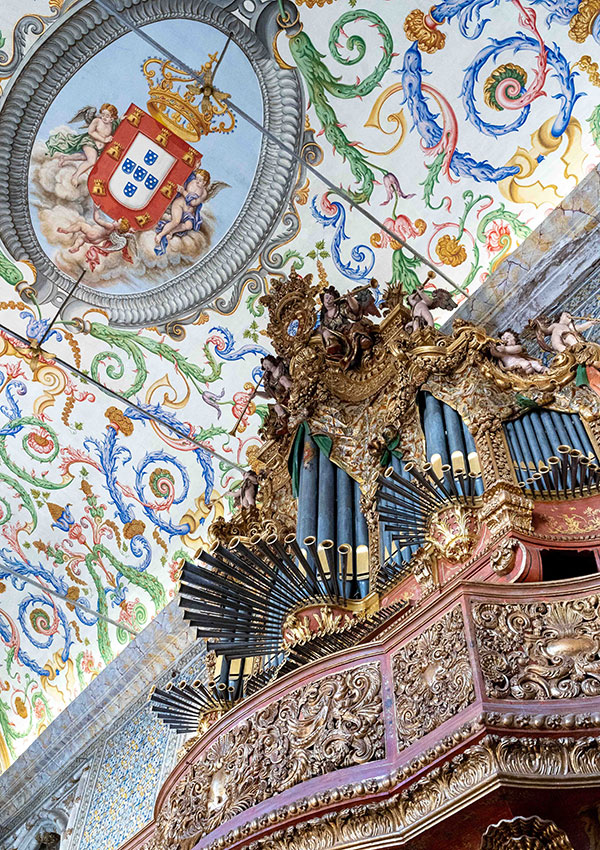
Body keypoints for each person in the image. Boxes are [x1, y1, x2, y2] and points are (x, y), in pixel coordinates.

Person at [47, 103, 119, 186]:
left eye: (107, 115)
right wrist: (104, 139)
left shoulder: (112, 124)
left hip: (99, 148)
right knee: (92, 161)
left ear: (112, 118)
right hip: (89, 142)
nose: (104, 117)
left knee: (84, 157)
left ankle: (65, 158)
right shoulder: (97, 121)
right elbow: (91, 132)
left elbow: (119, 122)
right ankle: (75, 176)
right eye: (103, 114)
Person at [318, 282, 380, 369]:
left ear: (335, 300)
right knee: (326, 333)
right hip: (339, 339)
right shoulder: (324, 319)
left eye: (331, 298)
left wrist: (350, 299)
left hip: (348, 331)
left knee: (355, 329)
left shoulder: (340, 308)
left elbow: (355, 310)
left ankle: (362, 341)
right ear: (323, 300)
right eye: (326, 298)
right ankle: (335, 350)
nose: (328, 300)